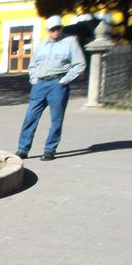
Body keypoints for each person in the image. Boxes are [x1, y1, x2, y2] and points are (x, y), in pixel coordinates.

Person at [16, 15, 86, 161]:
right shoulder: (42, 44)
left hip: (57, 85)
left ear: (62, 28)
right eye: (52, 29)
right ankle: (23, 149)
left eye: (58, 28)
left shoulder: (70, 43)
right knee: (30, 117)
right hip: (40, 84)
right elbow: (33, 65)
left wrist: (65, 80)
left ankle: (50, 150)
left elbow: (80, 64)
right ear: (47, 30)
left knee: (56, 119)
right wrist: (34, 79)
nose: (55, 32)